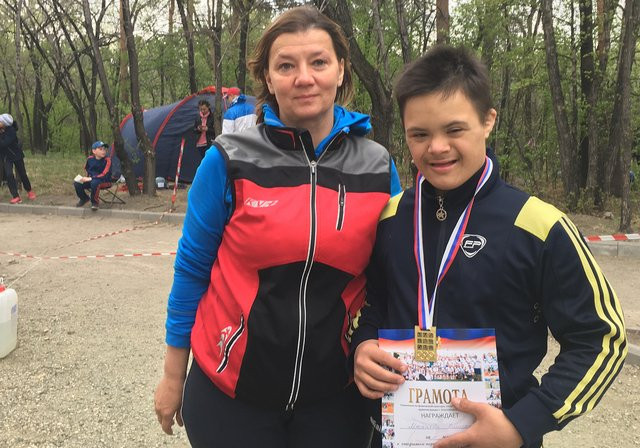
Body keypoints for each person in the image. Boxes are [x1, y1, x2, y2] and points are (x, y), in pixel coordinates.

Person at [351, 45, 627, 448]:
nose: (437, 147)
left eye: (454, 130)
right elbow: (374, 306)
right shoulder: (391, 216)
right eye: (420, 134)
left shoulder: (537, 225)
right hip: (398, 435)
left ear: (488, 121)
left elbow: (601, 339)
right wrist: (362, 347)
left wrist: (522, 424)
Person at [154, 5, 402, 447]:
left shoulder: (378, 167)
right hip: (230, 395)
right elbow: (192, 271)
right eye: (286, 66)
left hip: (336, 398)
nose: (304, 78)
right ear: (268, 79)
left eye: (318, 62)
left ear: (341, 70)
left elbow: (391, 279)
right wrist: (174, 376)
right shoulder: (228, 160)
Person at [0, 113, 35, 204]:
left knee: (22, 173)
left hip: (16, 155)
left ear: (4, 123)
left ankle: (29, 190)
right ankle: (16, 196)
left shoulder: (11, 130)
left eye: (0, 121)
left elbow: (4, 143)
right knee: (9, 175)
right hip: (6, 157)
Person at [73, 141, 112, 210]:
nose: (103, 151)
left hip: (105, 181)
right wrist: (85, 178)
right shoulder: (90, 159)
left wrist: (91, 178)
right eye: (100, 149)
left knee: (95, 182)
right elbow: (87, 169)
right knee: (77, 182)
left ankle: (95, 202)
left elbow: (104, 174)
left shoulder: (107, 160)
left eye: (104, 149)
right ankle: (84, 198)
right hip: (92, 180)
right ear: (94, 151)